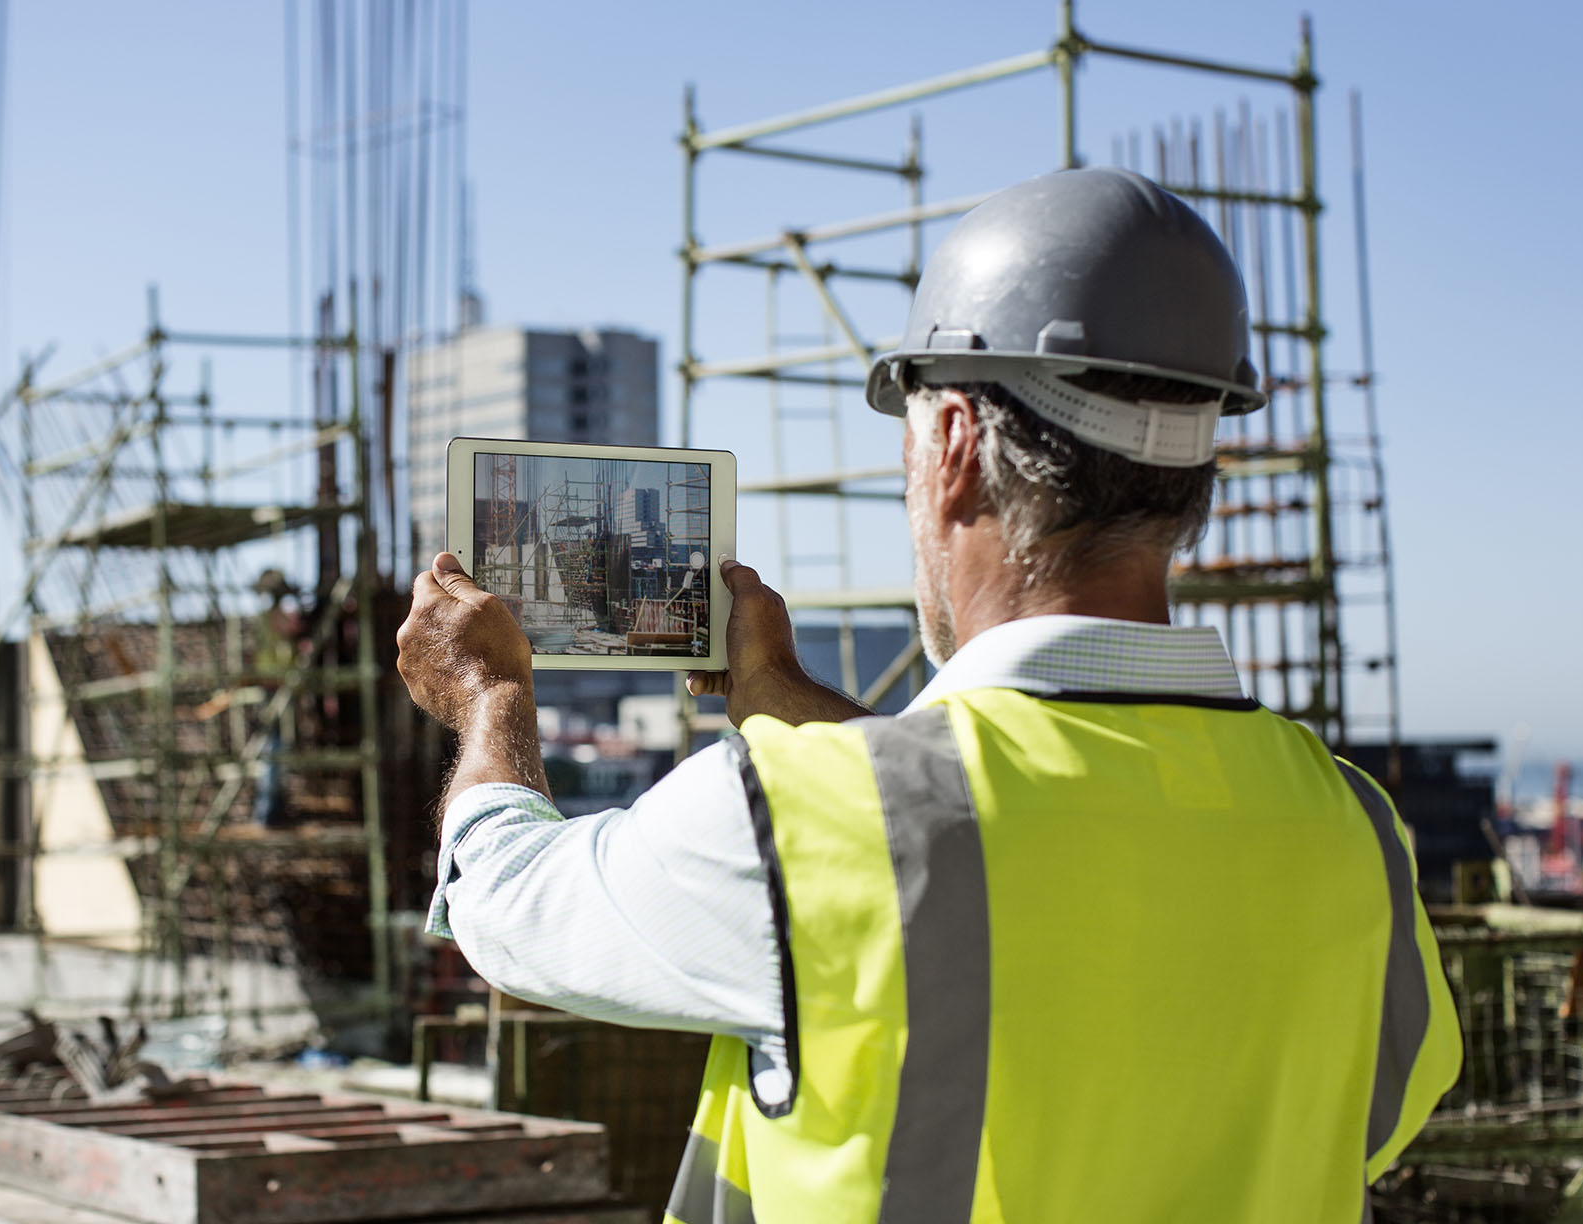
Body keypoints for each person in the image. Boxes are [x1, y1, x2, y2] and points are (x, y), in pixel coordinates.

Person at [396, 167, 1460, 1223]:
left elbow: (512, 912)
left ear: (951, 448)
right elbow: (1029, 832)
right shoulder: (1351, 832)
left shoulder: (797, 821)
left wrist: (490, 694)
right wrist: (789, 700)